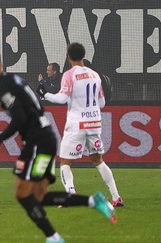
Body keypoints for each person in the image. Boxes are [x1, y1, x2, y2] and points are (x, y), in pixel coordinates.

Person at [0, 49, 115, 243]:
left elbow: (19, 119)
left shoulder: (3, 87)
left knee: (23, 194)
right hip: (45, 138)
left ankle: (54, 238)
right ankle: (93, 201)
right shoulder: (16, 80)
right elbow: (34, 107)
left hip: (36, 143)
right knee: (39, 197)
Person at [41, 43, 123, 207]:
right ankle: (116, 197)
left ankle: (70, 195)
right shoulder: (95, 75)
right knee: (98, 161)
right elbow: (101, 103)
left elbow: (63, 99)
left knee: (65, 162)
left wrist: (46, 94)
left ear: (68, 57)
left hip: (76, 124)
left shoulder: (69, 75)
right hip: (94, 123)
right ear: (83, 55)